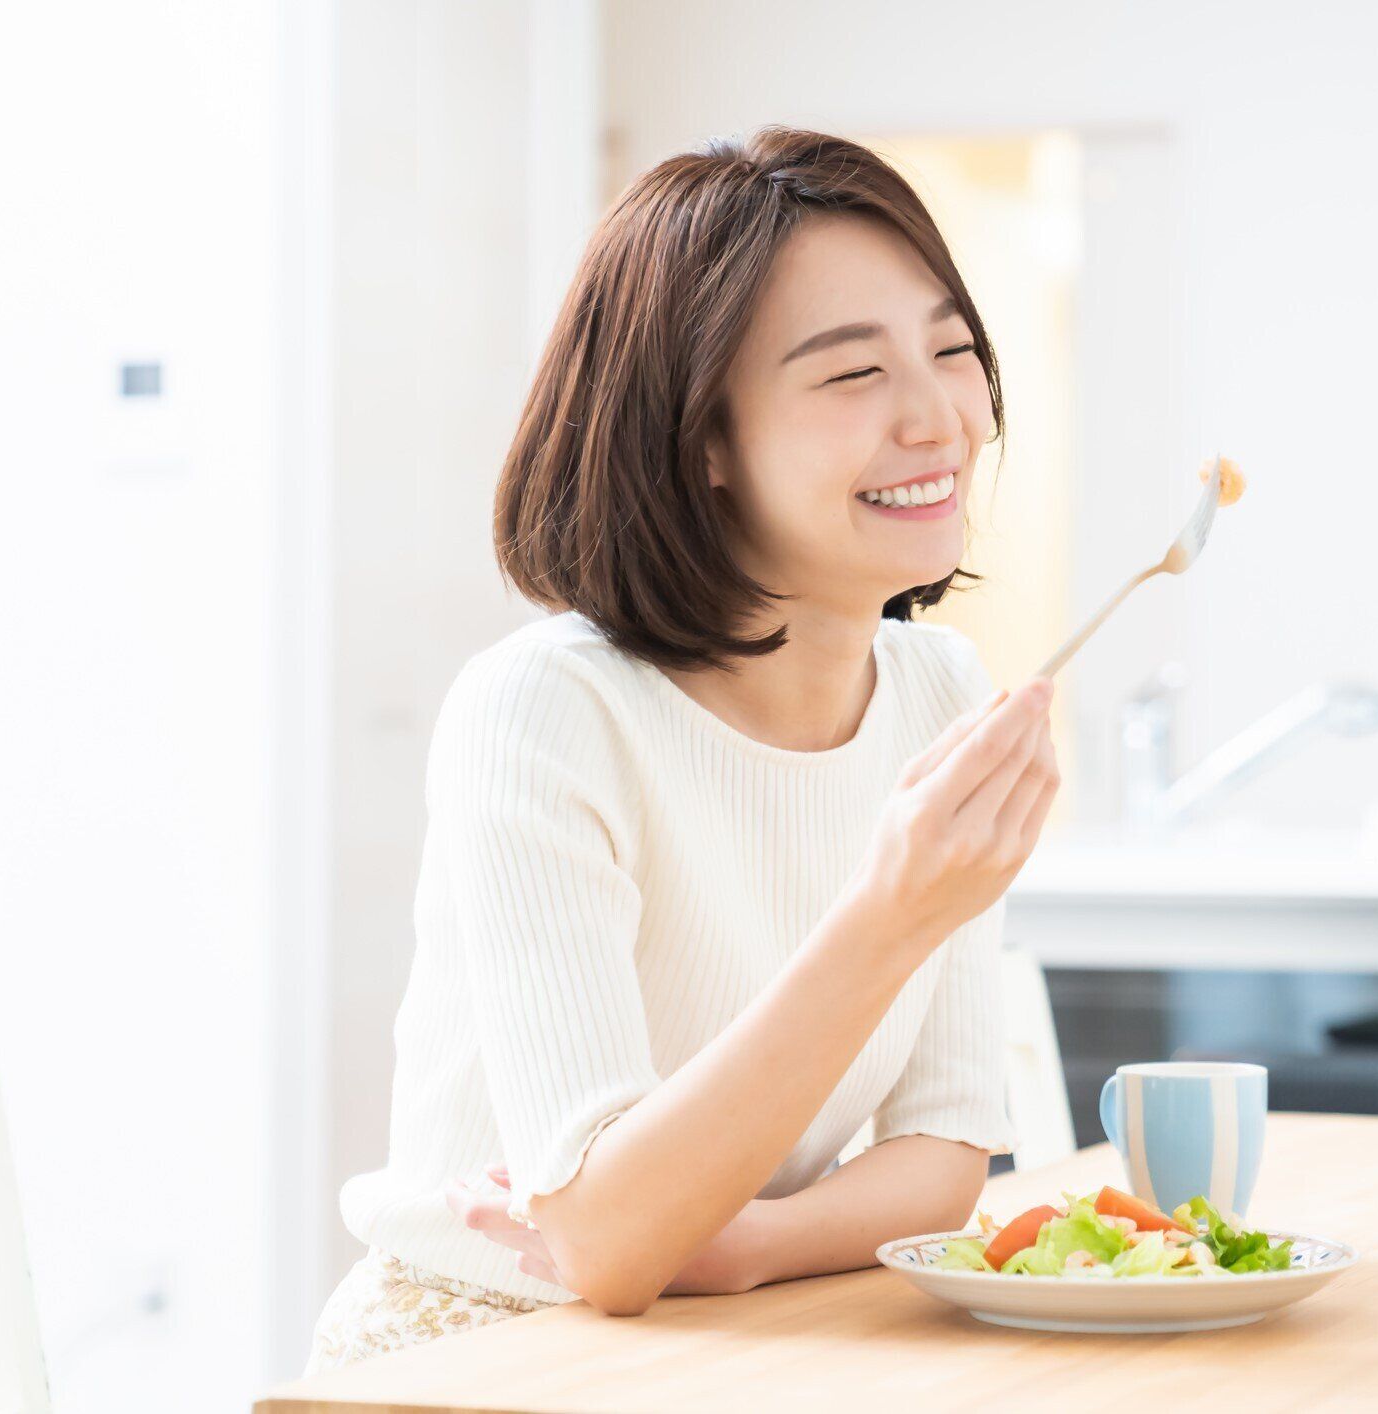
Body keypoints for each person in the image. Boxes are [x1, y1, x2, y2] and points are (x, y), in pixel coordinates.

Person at [305, 126, 1059, 1374]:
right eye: (849, 375)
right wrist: (889, 912)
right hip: (479, 1351)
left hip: (750, 1325)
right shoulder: (545, 711)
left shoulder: (942, 691)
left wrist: (739, 1241)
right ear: (702, 439)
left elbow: (942, 1159)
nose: (938, 417)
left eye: (952, 350)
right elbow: (601, 1243)